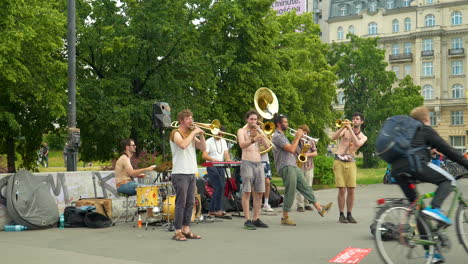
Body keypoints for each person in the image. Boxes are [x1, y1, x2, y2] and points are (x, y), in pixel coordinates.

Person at [392, 106, 468, 225]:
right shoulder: (425, 129)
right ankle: (435, 208)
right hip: (414, 165)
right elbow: (447, 150)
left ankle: (427, 240)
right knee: (449, 180)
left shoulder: (407, 132)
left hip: (396, 169)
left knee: (417, 207)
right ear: (426, 118)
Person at [272, 114, 332, 226]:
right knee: (290, 191)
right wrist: (297, 137)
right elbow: (291, 149)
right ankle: (285, 217)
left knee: (305, 187)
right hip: (285, 166)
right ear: (278, 124)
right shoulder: (277, 136)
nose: (287, 124)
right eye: (285, 122)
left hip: (293, 165)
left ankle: (320, 209)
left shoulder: (283, 135)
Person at [169, 109, 206, 241]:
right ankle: (177, 230)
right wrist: (195, 132)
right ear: (181, 121)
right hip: (180, 172)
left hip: (191, 172)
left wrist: (201, 134)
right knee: (181, 202)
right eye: (188, 118)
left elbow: (203, 148)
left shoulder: (191, 134)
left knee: (191, 202)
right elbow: (183, 145)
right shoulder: (176, 133)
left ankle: (186, 229)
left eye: (191, 117)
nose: (191, 120)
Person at [331, 113, 367, 224]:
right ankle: (341, 215)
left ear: (361, 122)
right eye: (353, 119)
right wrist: (343, 127)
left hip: (351, 162)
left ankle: (349, 214)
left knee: (351, 189)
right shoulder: (345, 130)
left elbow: (357, 142)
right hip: (339, 161)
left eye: (357, 119)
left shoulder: (363, 136)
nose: (354, 120)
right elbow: (333, 137)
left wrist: (350, 129)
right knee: (342, 188)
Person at [237, 110, 270, 230]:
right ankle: (247, 219)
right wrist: (254, 139)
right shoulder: (242, 131)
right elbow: (242, 145)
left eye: (255, 119)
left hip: (258, 164)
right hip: (247, 163)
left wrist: (262, 135)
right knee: (247, 192)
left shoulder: (258, 131)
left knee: (259, 192)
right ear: (247, 119)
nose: (253, 122)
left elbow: (267, 147)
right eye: (251, 119)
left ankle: (256, 218)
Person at [115, 138, 158, 222]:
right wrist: (147, 168)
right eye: (133, 145)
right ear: (127, 147)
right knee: (148, 189)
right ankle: (150, 216)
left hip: (126, 184)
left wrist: (138, 175)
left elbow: (127, 174)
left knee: (148, 188)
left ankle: (150, 215)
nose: (135, 146)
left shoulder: (125, 158)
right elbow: (131, 172)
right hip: (123, 185)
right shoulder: (124, 158)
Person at [202, 126, 232, 219]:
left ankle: (213, 210)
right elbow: (204, 156)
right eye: (219, 133)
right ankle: (218, 210)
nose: (220, 135)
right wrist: (213, 159)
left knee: (221, 187)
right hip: (211, 165)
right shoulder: (208, 141)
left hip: (220, 165)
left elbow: (226, 153)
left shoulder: (223, 141)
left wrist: (228, 160)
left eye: (222, 134)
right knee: (218, 185)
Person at [295, 125, 318, 212]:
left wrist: (307, 154)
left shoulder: (311, 141)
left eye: (305, 133)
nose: (303, 135)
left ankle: (307, 204)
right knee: (299, 186)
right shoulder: (296, 141)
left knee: (308, 186)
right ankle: (300, 205)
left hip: (309, 166)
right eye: (301, 133)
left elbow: (315, 153)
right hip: (299, 166)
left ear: (307, 133)